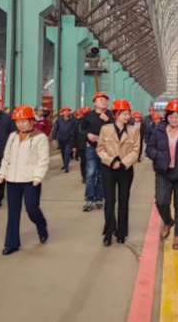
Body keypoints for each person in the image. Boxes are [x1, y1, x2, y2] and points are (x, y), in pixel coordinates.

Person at [146, 100, 178, 250]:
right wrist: (158, 156)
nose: (174, 120)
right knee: (161, 201)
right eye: (171, 117)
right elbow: (149, 148)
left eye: (177, 117)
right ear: (166, 116)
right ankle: (168, 221)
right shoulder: (159, 130)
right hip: (163, 172)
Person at [0, 105, 50, 255]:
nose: (20, 124)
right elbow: (6, 156)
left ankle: (41, 224)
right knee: (13, 213)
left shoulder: (40, 137)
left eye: (23, 121)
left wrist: (38, 177)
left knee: (31, 209)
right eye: (17, 122)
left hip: (30, 180)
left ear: (31, 121)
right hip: (12, 179)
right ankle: (12, 243)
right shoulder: (13, 136)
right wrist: (2, 174)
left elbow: (43, 160)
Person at [96, 99, 141, 245]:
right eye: (123, 114)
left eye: (128, 114)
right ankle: (109, 231)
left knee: (124, 200)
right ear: (115, 114)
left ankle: (121, 232)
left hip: (125, 170)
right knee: (109, 200)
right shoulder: (105, 129)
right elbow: (100, 148)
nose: (127, 116)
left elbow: (136, 150)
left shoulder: (134, 131)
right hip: (108, 169)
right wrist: (111, 161)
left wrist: (123, 163)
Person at [80, 92, 113, 211]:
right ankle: (89, 199)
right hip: (92, 148)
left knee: (102, 175)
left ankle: (99, 197)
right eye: (100, 100)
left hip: (106, 149)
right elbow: (82, 128)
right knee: (90, 173)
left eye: (105, 100)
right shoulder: (88, 115)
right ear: (94, 103)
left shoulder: (111, 115)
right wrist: (88, 134)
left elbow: (117, 129)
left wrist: (108, 120)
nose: (103, 102)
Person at [52, 106, 76, 173]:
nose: (67, 112)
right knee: (63, 153)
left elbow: (75, 131)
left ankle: (66, 167)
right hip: (61, 139)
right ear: (62, 112)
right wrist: (54, 138)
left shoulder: (73, 120)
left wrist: (74, 141)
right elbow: (55, 129)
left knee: (67, 153)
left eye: (68, 111)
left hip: (69, 139)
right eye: (65, 111)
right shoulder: (59, 120)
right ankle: (65, 164)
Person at [72, 109, 88, 183]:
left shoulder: (93, 123)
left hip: (92, 145)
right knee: (84, 161)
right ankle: (84, 176)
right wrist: (74, 146)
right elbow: (74, 135)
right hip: (81, 145)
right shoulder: (77, 124)